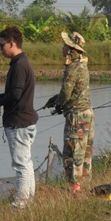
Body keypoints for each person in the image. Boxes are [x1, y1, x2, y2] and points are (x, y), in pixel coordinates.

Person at [0, 26, 38, 210]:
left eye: (2, 45)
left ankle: (20, 204)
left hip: (18, 123)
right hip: (25, 121)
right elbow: (15, 92)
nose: (1, 49)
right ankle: (27, 200)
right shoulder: (21, 63)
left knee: (21, 165)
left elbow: (15, 95)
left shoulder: (19, 65)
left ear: (12, 43)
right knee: (26, 163)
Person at [45, 32, 94, 194]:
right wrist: (55, 100)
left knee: (73, 152)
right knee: (85, 152)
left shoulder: (73, 68)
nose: (63, 47)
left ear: (71, 50)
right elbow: (70, 92)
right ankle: (83, 187)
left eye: (65, 45)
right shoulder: (82, 66)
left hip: (76, 117)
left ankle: (74, 191)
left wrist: (59, 105)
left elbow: (66, 92)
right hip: (86, 113)